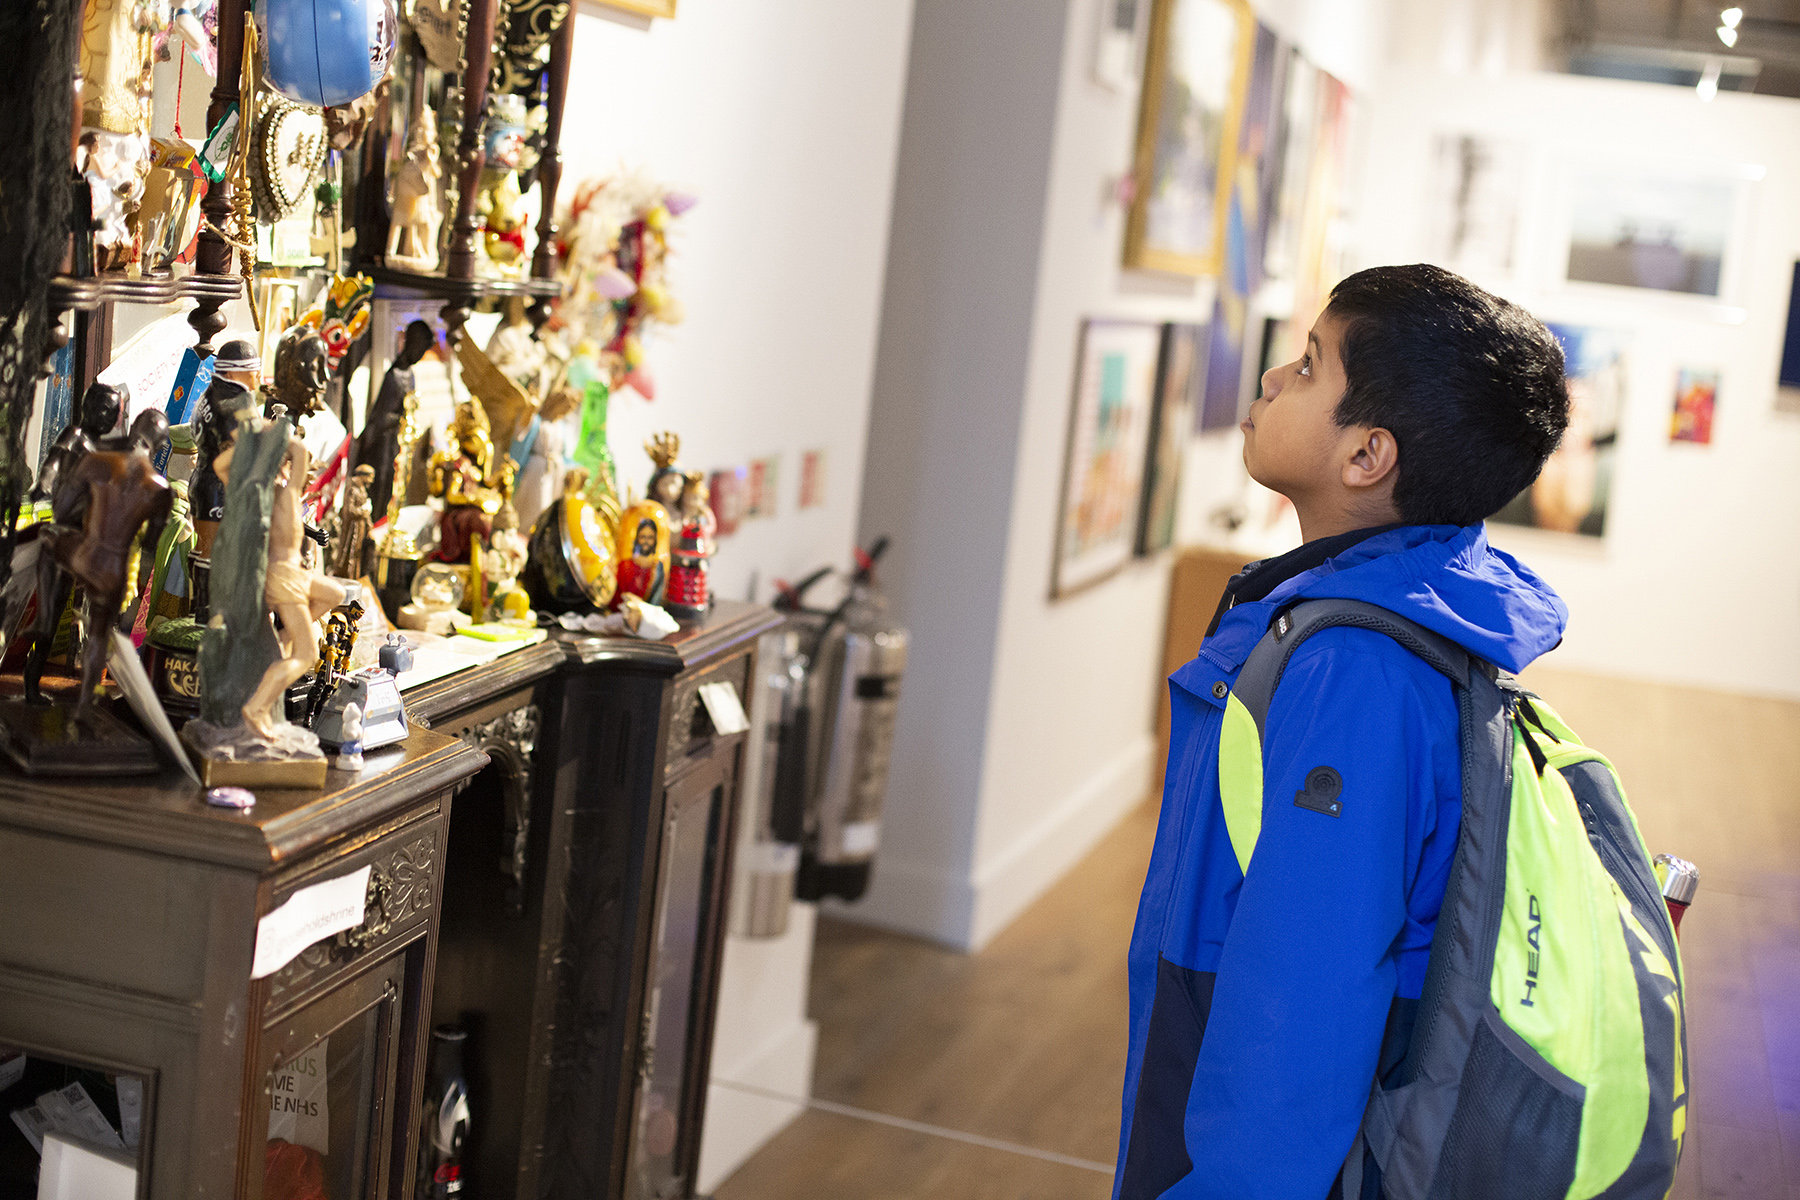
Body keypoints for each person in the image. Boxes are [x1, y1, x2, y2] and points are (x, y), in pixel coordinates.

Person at [1115, 265, 1571, 1200]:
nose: (1275, 376)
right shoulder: (1371, 613)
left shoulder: (1355, 673)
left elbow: (1305, 1007)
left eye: (1311, 365)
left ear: (1368, 456)